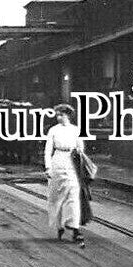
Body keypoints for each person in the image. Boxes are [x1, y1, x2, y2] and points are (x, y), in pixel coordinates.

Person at [44, 103, 85, 243]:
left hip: (71, 162)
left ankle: (75, 228)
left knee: (73, 195)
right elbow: (48, 150)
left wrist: (79, 154)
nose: (58, 117)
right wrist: (48, 167)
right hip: (58, 161)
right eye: (57, 115)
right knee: (56, 196)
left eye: (61, 115)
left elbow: (81, 147)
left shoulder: (75, 130)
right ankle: (59, 226)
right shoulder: (53, 130)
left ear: (67, 115)